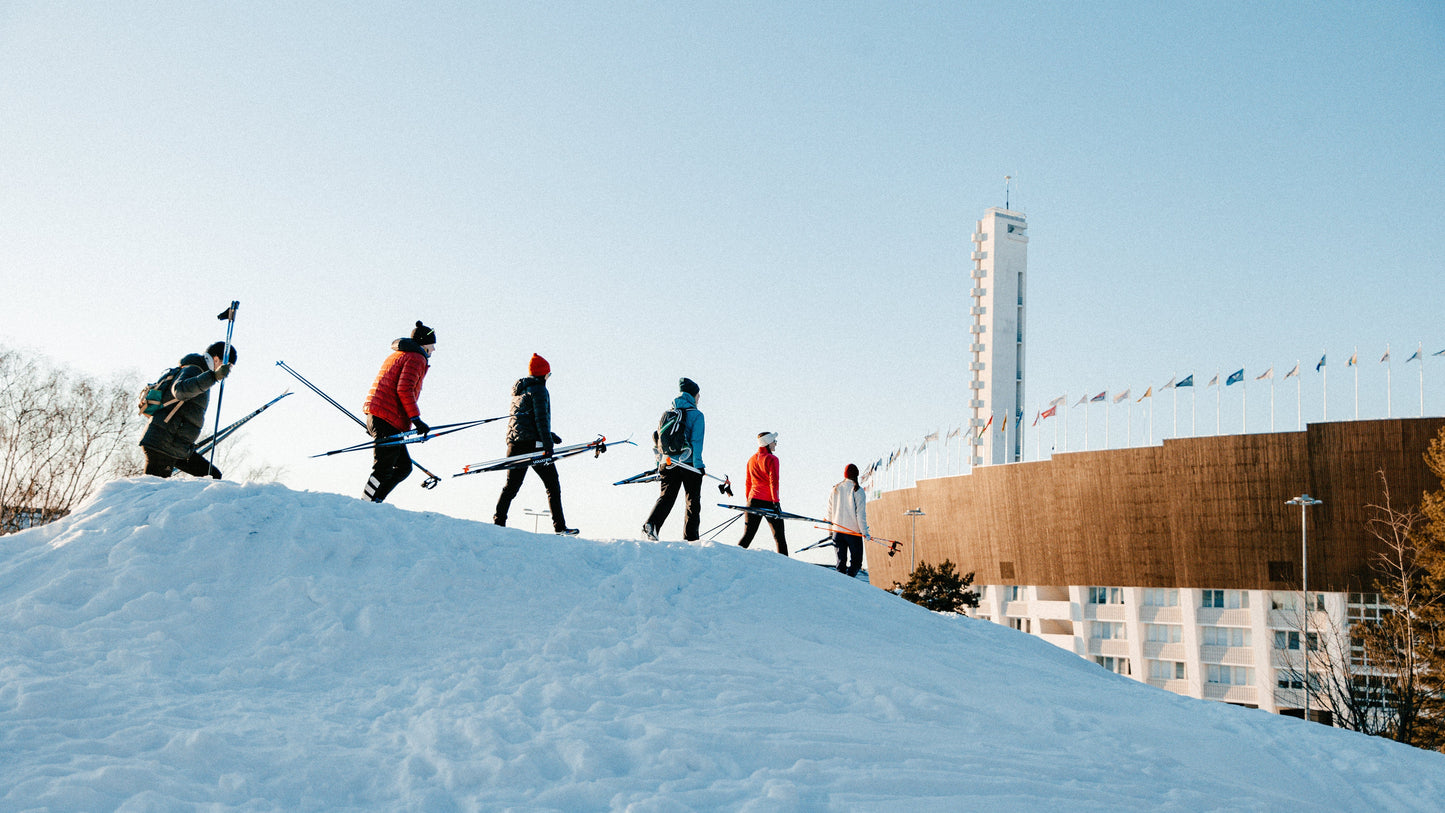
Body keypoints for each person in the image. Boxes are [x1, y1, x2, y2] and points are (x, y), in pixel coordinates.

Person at [494, 353, 577, 535]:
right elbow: (540, 419)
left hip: (515, 444)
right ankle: (560, 527)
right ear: (543, 374)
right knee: (552, 484)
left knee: (511, 486)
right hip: (534, 446)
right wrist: (548, 445)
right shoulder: (540, 390)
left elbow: (528, 420)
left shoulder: (519, 391)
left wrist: (550, 435)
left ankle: (498, 522)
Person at [139, 341, 237, 479]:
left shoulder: (201, 373)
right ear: (215, 359)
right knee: (151, 492)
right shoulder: (194, 369)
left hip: (176, 446)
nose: (227, 372)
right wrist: (214, 376)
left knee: (213, 476)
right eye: (227, 366)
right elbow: (180, 391)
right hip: (163, 444)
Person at [361, 321, 434, 503]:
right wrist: (416, 419)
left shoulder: (399, 354)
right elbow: (404, 389)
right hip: (387, 419)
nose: (433, 350)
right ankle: (365, 503)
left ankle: (375, 501)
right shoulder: (416, 358)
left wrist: (373, 419)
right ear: (424, 344)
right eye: (432, 345)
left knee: (403, 467)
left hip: (380, 416)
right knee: (384, 468)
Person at [642, 377, 705, 541]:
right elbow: (696, 442)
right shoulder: (697, 415)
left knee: (666, 497)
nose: (699, 399)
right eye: (698, 395)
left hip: (667, 463)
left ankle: (651, 524)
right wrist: (699, 465)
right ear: (693, 396)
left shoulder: (668, 414)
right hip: (689, 463)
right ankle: (691, 538)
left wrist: (659, 464)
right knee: (692, 500)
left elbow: (658, 440)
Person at [737, 431, 787, 555]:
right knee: (779, 537)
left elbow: (748, 483)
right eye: (774, 441)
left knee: (748, 535)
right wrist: (776, 502)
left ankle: (734, 557)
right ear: (768, 443)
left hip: (753, 500)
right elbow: (774, 482)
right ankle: (786, 566)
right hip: (769, 502)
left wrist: (748, 503)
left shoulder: (751, 459)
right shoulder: (772, 459)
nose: (775, 444)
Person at [827, 463, 870, 577]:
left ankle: (842, 586)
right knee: (856, 562)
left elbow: (830, 512)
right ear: (856, 475)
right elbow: (860, 515)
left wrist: (830, 531)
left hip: (837, 531)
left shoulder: (835, 489)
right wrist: (865, 533)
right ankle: (850, 583)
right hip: (853, 532)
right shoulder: (858, 491)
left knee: (840, 564)